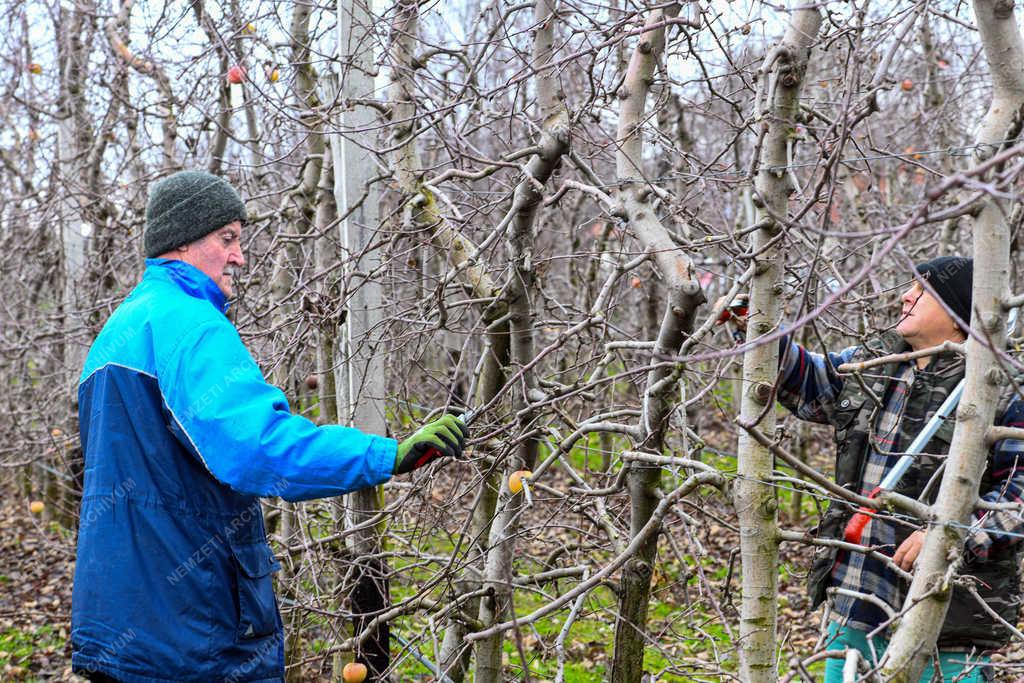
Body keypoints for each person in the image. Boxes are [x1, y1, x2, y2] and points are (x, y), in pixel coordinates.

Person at [71, 170, 468, 682]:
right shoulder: (190, 325)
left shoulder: (116, 332)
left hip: (120, 624)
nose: (239, 256)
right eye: (228, 239)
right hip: (193, 632)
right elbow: (259, 449)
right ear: (183, 242)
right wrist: (385, 455)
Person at [723, 256, 1024, 682]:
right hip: (856, 598)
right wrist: (750, 324)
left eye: (922, 290)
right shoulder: (877, 362)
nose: (905, 295)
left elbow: (1019, 498)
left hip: (947, 617)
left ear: (959, 315)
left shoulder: (1003, 387)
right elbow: (810, 380)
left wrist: (947, 533)